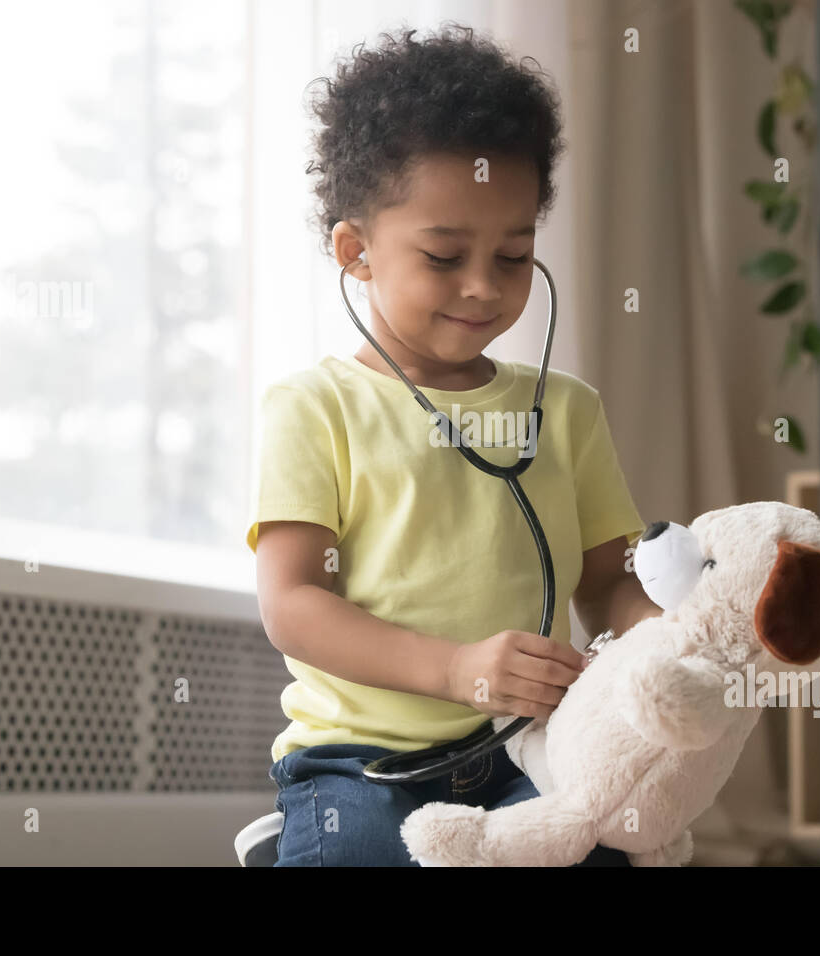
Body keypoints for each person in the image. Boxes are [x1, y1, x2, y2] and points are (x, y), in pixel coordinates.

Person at [248, 22, 662, 867]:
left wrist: (655, 650)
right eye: (444, 255)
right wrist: (454, 669)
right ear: (355, 251)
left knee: (606, 847)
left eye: (513, 255)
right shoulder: (313, 408)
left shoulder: (568, 412)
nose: (483, 285)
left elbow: (613, 580)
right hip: (360, 765)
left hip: (529, 751)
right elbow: (293, 603)